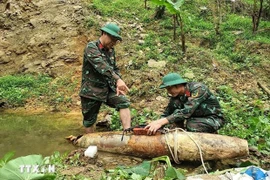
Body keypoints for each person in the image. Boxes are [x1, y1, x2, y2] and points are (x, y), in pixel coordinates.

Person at [79, 22, 131, 133]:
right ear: (104, 34)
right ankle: (90, 143)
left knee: (123, 101)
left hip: (107, 89)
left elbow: (114, 68)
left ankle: (127, 132)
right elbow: (101, 66)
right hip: (91, 91)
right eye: (112, 39)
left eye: (116, 41)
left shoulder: (111, 51)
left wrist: (118, 82)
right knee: (89, 120)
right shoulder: (91, 47)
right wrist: (118, 79)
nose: (113, 43)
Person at [145, 72, 225, 135]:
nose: (168, 91)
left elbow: (187, 111)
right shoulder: (176, 97)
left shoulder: (198, 89)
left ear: (178, 85)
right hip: (194, 119)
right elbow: (167, 114)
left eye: (170, 88)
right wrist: (155, 123)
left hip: (213, 119)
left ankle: (210, 137)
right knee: (174, 124)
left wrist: (162, 122)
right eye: (167, 89)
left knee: (191, 125)